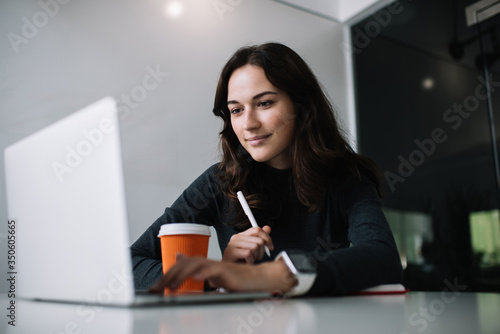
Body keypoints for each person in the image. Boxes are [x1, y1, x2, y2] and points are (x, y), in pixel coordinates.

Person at [131, 42, 403, 296]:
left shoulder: (345, 176)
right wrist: (216, 275)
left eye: (264, 103)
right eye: (236, 110)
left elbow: (382, 257)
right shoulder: (220, 182)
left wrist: (275, 274)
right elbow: (131, 264)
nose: (248, 123)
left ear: (301, 107)